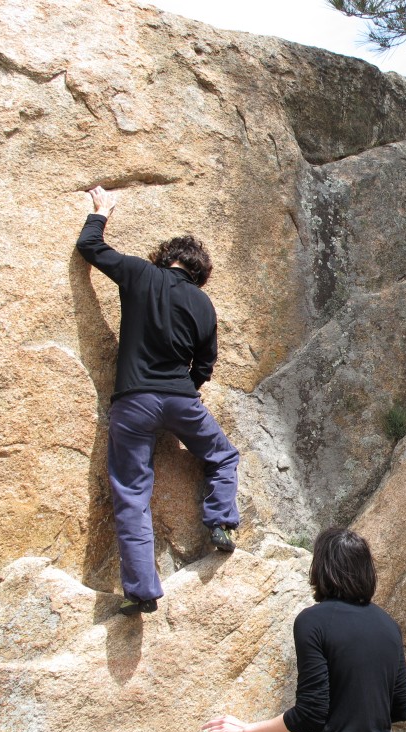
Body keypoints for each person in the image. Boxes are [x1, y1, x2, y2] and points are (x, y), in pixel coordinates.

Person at [77, 186, 240, 616]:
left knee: (132, 491)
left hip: (132, 403)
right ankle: (221, 520)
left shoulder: (138, 273)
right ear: (198, 273)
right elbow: (205, 365)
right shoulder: (203, 305)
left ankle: (142, 589)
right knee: (222, 456)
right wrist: (182, 392)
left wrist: (101, 212)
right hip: (181, 400)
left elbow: (90, 248)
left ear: (165, 256)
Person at [203, 527, 406, 732]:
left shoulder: (313, 622)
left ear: (321, 569)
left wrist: (246, 731)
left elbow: (310, 714)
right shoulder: (388, 625)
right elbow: (400, 708)